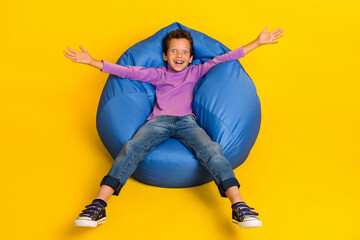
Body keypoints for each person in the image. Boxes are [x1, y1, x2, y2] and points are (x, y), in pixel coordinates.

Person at [64, 26, 284, 229]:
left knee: (212, 150)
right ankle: (98, 205)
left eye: (184, 52)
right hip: (157, 122)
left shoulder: (195, 71)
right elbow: (127, 71)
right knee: (131, 148)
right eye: (174, 51)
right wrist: (92, 61)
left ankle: (239, 207)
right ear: (165, 56)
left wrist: (257, 42)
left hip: (187, 122)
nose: (179, 56)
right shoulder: (158, 74)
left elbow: (224, 58)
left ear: (190, 58)